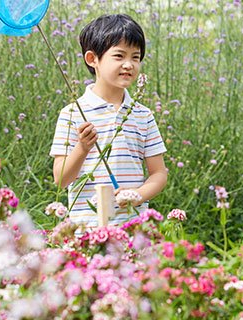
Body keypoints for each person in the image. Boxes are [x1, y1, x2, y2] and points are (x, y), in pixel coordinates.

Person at [51, 14, 168, 229]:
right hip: (85, 232)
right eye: (119, 56)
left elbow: (159, 173)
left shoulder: (143, 115)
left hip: (133, 229)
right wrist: (82, 148)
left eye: (135, 57)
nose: (129, 65)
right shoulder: (72, 114)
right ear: (92, 59)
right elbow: (60, 180)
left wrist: (137, 195)